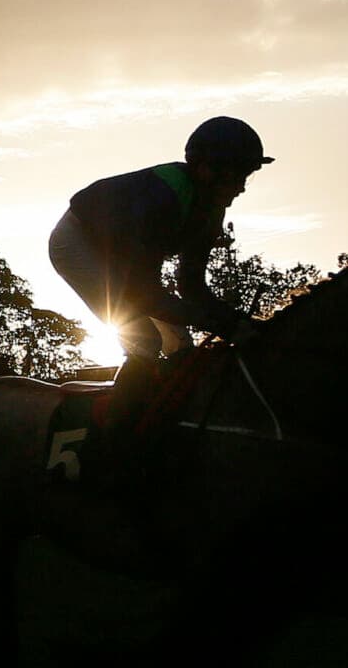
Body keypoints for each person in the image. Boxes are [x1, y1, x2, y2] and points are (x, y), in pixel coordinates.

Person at [48, 116, 271, 447]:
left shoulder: (212, 209)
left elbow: (190, 286)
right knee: (145, 339)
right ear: (206, 170)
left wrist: (233, 319)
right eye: (237, 175)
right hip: (77, 242)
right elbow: (142, 293)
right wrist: (219, 322)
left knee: (182, 347)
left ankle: (164, 424)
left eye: (246, 177)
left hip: (120, 258)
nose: (241, 186)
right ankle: (112, 442)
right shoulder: (162, 197)